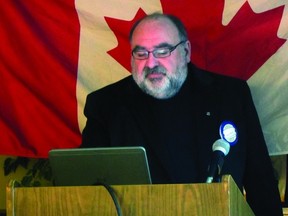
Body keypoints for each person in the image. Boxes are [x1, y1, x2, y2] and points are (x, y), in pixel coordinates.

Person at [81, 13, 283, 215]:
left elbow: (260, 181)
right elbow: (85, 189)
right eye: (141, 53)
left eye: (162, 51)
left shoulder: (230, 96)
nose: (151, 64)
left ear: (186, 52)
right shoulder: (106, 105)